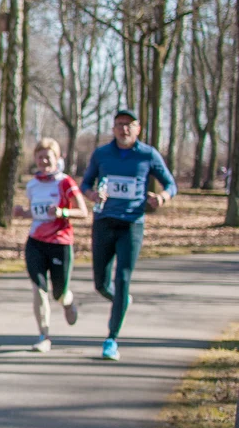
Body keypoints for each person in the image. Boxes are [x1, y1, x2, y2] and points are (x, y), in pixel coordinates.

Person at [80, 109, 177, 361]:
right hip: (104, 222)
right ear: (113, 128)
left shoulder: (148, 155)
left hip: (132, 224)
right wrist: (92, 195)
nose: (124, 129)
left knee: (122, 278)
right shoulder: (101, 154)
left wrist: (162, 198)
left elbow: (171, 184)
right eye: (119, 124)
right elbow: (85, 183)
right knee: (101, 284)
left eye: (129, 125)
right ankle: (121, 300)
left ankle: (111, 338)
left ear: (138, 129)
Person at [12, 138, 88, 352]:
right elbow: (35, 212)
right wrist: (23, 213)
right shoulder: (33, 185)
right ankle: (44, 336)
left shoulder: (65, 183)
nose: (44, 161)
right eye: (40, 157)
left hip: (60, 242)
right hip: (36, 242)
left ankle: (67, 301)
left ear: (57, 158)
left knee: (59, 292)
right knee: (39, 289)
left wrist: (63, 212)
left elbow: (83, 212)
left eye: (48, 157)